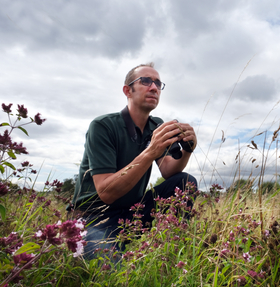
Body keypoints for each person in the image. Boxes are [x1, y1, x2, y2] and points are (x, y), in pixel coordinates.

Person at [69, 63, 197, 259]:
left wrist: (188, 149)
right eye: (145, 81)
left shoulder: (157, 125)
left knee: (185, 182)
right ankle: (111, 247)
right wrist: (151, 151)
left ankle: (175, 249)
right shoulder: (103, 126)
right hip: (93, 218)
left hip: (132, 214)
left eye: (158, 83)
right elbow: (106, 193)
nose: (154, 87)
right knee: (112, 271)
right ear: (127, 90)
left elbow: (169, 172)